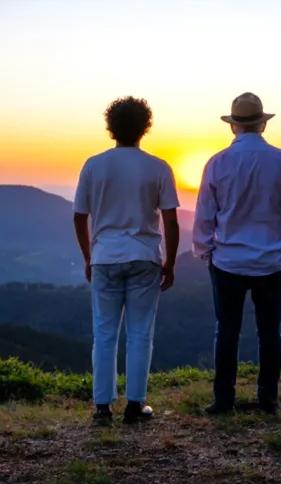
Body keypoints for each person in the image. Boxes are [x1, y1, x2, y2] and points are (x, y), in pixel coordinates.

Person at [192, 92, 281, 415]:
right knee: (270, 331)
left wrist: (206, 253)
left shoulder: (217, 163)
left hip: (227, 261)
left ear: (233, 127)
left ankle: (224, 399)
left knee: (227, 330)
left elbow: (204, 216)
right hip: (272, 262)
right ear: (262, 125)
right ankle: (268, 398)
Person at [73, 96, 180, 424]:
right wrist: (171, 262)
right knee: (140, 333)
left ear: (111, 126)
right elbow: (171, 221)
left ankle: (102, 407)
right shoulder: (158, 167)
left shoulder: (94, 165)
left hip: (106, 257)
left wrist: (89, 257)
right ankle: (135, 405)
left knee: (104, 333)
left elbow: (80, 216)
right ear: (144, 127)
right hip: (145, 256)